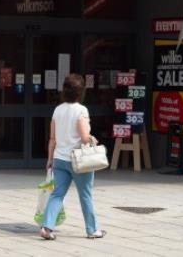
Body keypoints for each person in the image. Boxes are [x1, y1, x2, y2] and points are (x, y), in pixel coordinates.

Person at [40, 73, 106, 240]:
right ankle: (92, 230)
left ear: (64, 91)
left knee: (57, 194)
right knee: (85, 195)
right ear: (81, 92)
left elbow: (52, 139)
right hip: (78, 161)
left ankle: (47, 227)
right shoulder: (81, 110)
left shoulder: (57, 110)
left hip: (59, 159)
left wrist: (49, 160)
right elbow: (84, 137)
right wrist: (92, 138)